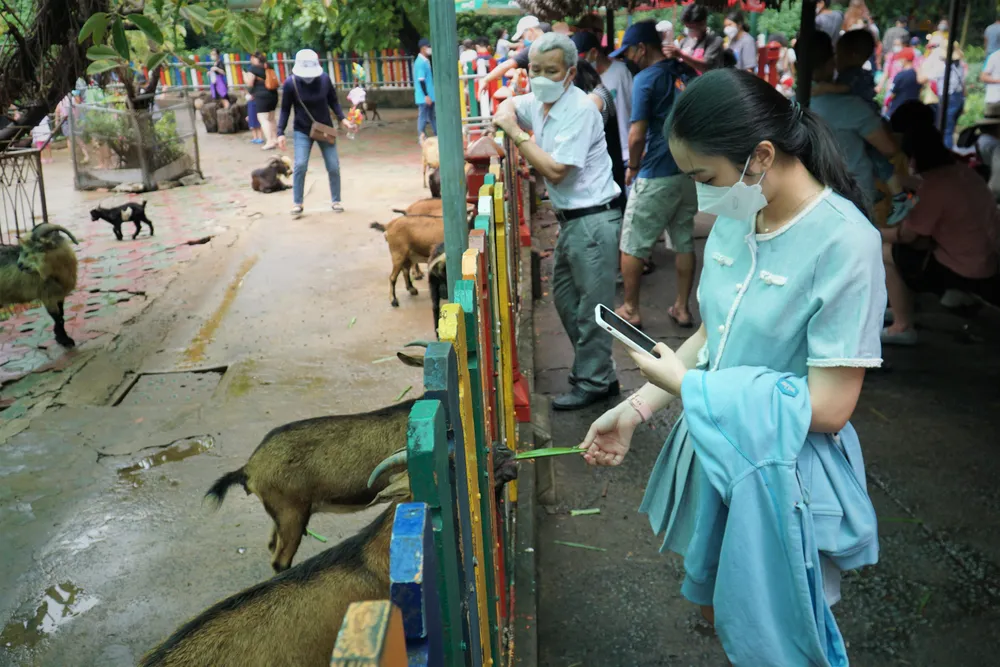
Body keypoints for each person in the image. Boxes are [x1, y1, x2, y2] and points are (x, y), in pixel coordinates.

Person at [580, 67, 885, 665]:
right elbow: (714, 332)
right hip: (716, 444)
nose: (702, 195)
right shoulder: (739, 214)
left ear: (761, 156)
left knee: (779, 628)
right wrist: (636, 408)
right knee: (720, 606)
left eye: (705, 177)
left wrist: (691, 386)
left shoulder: (846, 244)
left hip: (782, 468)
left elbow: (829, 407)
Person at [491, 32, 623, 410]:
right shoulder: (541, 101)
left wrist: (515, 134)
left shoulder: (579, 109)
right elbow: (511, 103)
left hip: (594, 221)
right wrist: (508, 111)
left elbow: (555, 170)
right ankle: (602, 372)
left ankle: (594, 382)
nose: (542, 77)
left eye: (552, 70)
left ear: (569, 73)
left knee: (592, 310)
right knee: (566, 300)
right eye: (536, 69)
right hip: (572, 222)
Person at [610, 21, 698, 329]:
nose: (627, 59)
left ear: (642, 48)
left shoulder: (646, 79)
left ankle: (631, 309)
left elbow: (636, 135)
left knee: (633, 242)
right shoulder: (684, 72)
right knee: (684, 240)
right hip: (688, 172)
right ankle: (682, 308)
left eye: (629, 52)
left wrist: (632, 168)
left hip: (656, 171)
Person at [881, 120, 999, 344]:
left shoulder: (933, 187)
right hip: (988, 259)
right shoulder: (962, 172)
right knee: (914, 246)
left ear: (913, 156)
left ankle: (902, 325)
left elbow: (906, 235)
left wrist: (869, 230)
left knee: (886, 251)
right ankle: (902, 305)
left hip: (966, 269)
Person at [809, 32, 906, 214]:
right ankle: (899, 195)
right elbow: (889, 148)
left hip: (813, 196)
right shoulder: (853, 106)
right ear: (830, 64)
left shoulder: (788, 104)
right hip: (854, 197)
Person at [276, 49, 353, 218]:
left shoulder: (324, 79)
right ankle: (298, 203)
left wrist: (343, 119)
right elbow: (285, 110)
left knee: (333, 165)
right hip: (302, 129)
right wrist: (280, 132)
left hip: (324, 128)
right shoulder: (291, 83)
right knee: (300, 164)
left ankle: (336, 200)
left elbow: (333, 101)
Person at [572, 30, 633, 170]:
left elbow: (634, 106)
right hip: (601, 155)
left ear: (594, 53)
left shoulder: (621, 71)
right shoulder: (582, 79)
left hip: (625, 150)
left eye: (580, 57)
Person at [573, 56, 626, 214]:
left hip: (607, 173)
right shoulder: (600, 91)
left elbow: (580, 125)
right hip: (608, 169)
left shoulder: (597, 96)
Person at [478, 16, 548, 95]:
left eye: (522, 37)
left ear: (531, 31)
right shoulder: (556, 41)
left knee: (508, 104)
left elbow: (506, 65)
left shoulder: (534, 49)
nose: (523, 40)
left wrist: (485, 80)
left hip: (541, 97)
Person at [667, 4, 724, 74]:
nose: (689, 31)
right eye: (687, 27)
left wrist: (681, 55)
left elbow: (706, 67)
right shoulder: (684, 41)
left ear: (703, 22)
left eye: (692, 28)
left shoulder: (715, 41)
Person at [245, 52, 279, 150]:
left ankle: (270, 141)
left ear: (254, 58)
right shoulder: (269, 66)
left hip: (261, 95)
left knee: (263, 119)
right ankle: (275, 138)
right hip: (273, 94)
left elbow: (250, 83)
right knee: (271, 118)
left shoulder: (253, 69)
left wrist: (245, 76)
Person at [885, 48, 923, 118]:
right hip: (912, 111)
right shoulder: (918, 76)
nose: (899, 61)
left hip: (897, 110)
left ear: (904, 59)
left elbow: (892, 94)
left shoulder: (900, 75)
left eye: (900, 58)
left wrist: (886, 104)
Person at [56, 90, 89, 164]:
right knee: (70, 139)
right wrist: (57, 121)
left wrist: (77, 119)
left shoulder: (72, 98)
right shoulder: (62, 100)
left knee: (76, 137)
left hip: (71, 119)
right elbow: (57, 110)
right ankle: (74, 157)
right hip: (65, 120)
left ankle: (84, 155)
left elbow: (77, 107)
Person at [413, 38, 435, 143]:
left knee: (431, 116)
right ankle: (421, 135)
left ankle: (437, 134)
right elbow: (421, 80)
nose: (429, 49)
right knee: (423, 116)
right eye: (428, 47)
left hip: (429, 95)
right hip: (424, 97)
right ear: (423, 48)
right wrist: (426, 95)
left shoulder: (425, 61)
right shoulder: (420, 62)